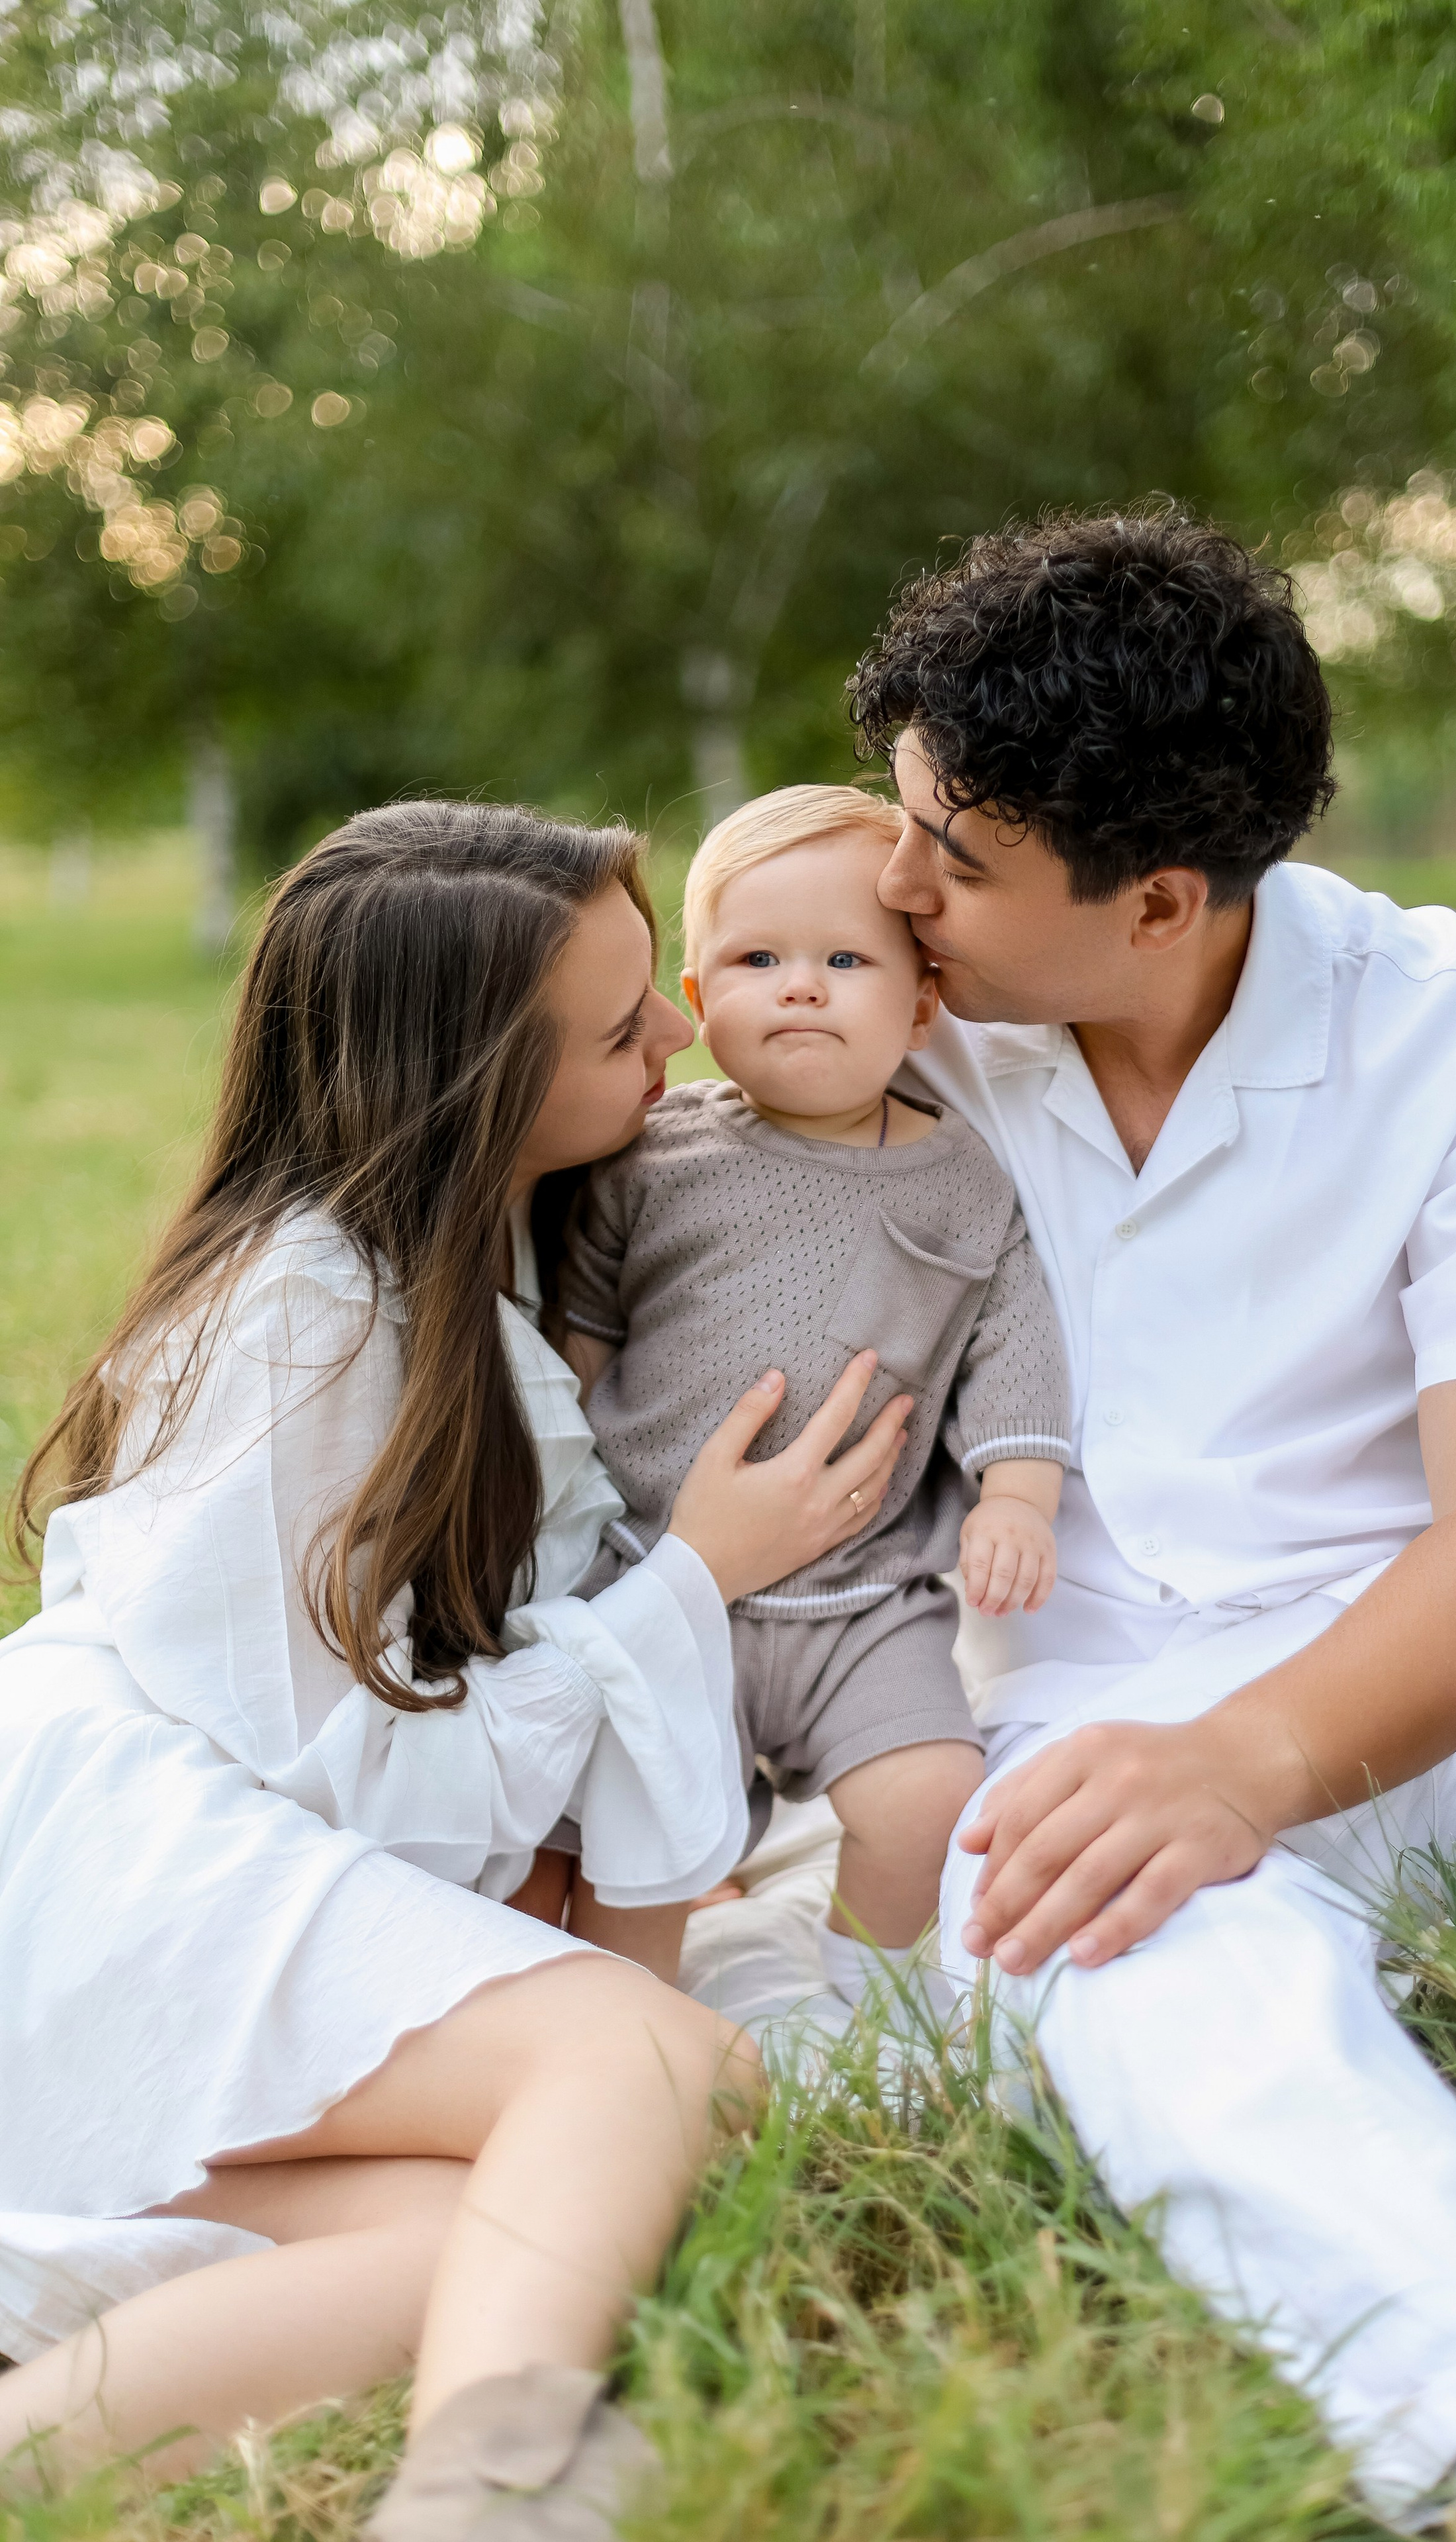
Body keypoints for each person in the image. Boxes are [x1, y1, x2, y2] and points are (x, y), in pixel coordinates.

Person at [833, 508, 1456, 2538]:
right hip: (1084, 1745)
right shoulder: (890, 1034)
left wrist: (1264, 1757)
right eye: (903, 823)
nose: (897, 887)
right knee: (1119, 1951)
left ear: (1158, 904)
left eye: (954, 858)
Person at [0, 801, 911, 2539]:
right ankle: (489, 2483)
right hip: (118, 1860)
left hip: (209, 1845)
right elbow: (336, 1769)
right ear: (475, 1076)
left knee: (473, 2226)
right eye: (622, 1022)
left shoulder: (473, 1265)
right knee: (650, 2068)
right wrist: (701, 1576)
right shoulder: (302, 1313)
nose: (682, 1032)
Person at [552, 784, 1071, 2002]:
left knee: (931, 1792)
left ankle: (865, 2001)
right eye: (756, 959)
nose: (800, 986)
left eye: (846, 958)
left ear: (921, 1003)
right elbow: (579, 1329)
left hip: (866, 1599)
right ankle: (630, 2018)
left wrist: (1020, 1498)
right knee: (633, 1834)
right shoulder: (653, 1156)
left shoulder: (962, 1180)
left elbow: (1016, 1338)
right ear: (694, 1001)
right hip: (664, 1585)